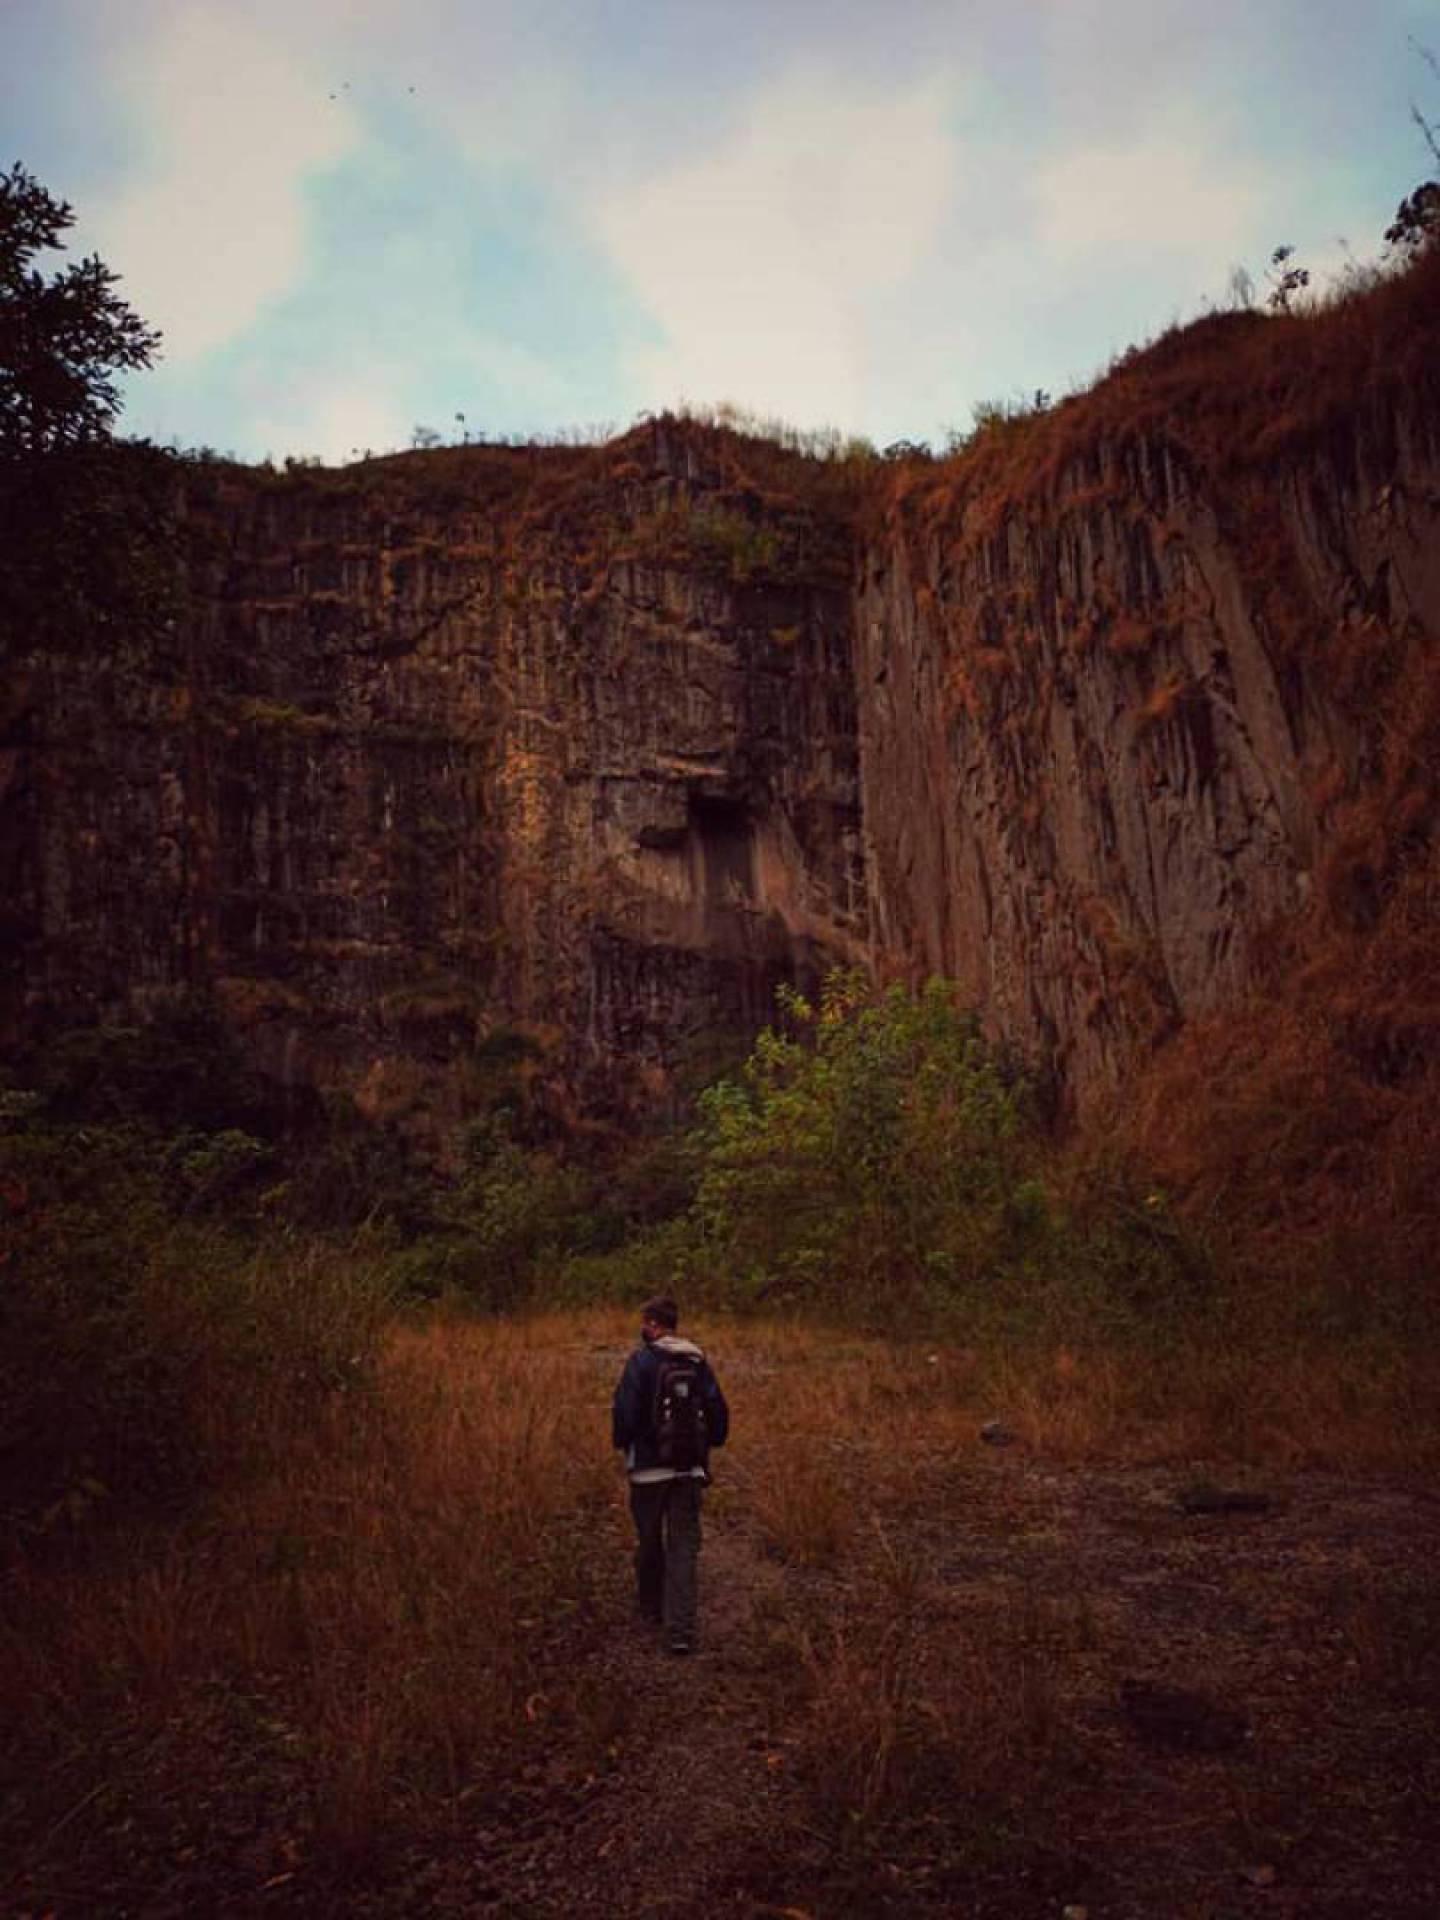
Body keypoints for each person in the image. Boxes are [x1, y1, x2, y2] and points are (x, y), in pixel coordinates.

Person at [611, 1294, 729, 1655]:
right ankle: (680, 1633)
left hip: (647, 1471)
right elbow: (718, 1414)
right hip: (687, 1470)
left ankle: (650, 1610)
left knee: (649, 1540)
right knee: (683, 1548)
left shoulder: (640, 1361)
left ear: (653, 1324)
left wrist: (624, 1445)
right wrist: (709, 1444)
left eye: (645, 1321)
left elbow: (625, 1414)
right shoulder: (697, 1361)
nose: (642, 1327)